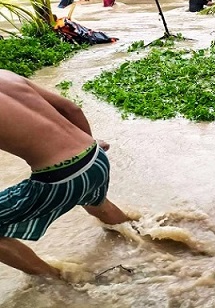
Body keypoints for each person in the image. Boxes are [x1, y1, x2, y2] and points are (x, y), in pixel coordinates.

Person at [0, 69, 131, 278]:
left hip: (61, 178)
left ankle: (55, 279)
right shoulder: (6, 76)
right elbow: (72, 109)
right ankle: (140, 238)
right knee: (95, 202)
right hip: (95, 157)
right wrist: (89, 142)